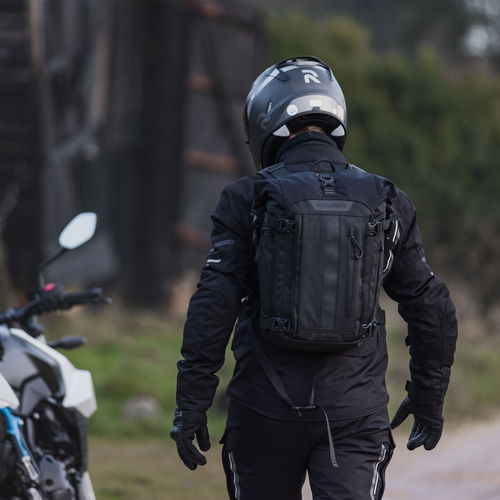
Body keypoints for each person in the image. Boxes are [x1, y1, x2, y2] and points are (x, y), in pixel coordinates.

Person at [171, 56, 458, 500]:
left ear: (265, 120)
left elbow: (215, 302)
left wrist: (192, 402)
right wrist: (428, 397)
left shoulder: (246, 196)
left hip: (263, 414)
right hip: (354, 416)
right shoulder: (386, 199)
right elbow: (431, 305)